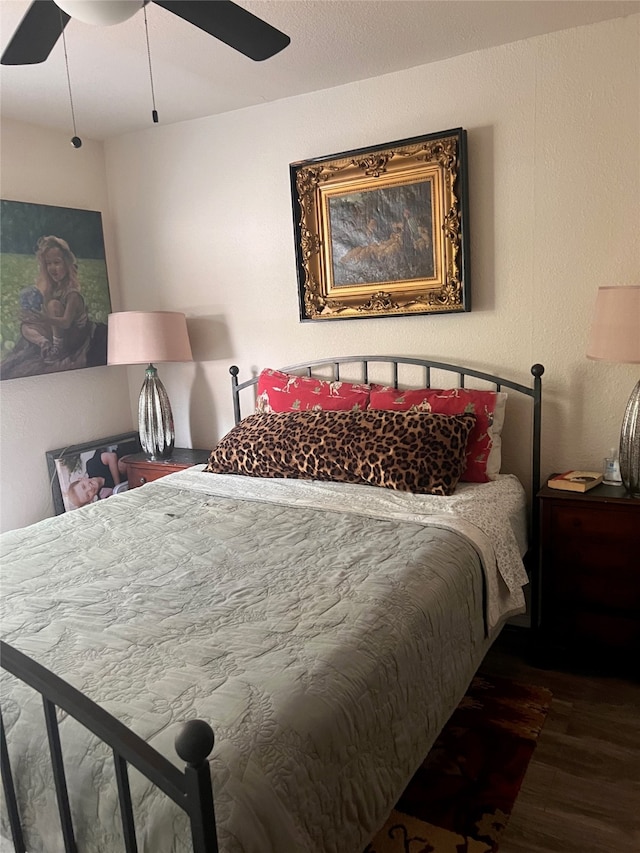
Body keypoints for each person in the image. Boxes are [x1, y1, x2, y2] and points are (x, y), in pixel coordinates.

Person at [0, 235, 107, 379]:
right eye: (48, 263)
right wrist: (34, 318)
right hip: (58, 332)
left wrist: (44, 319)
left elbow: (66, 322)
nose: (52, 268)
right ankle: (44, 343)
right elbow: (49, 320)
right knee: (26, 326)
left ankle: (57, 349)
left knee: (53, 305)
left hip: (75, 336)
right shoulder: (52, 290)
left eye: (57, 262)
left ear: (67, 264)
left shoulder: (72, 294)